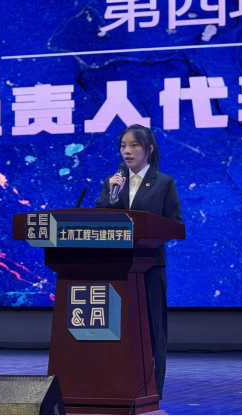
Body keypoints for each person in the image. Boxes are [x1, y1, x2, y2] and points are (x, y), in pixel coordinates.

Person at [96, 124, 183, 401]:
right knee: (120, 330)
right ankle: (117, 387)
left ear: (149, 149)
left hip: (150, 266)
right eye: (123, 145)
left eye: (134, 145)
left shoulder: (163, 183)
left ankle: (152, 390)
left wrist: (147, 237)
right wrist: (113, 196)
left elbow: (175, 224)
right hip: (117, 268)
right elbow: (99, 220)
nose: (127, 151)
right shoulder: (112, 183)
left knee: (152, 330)